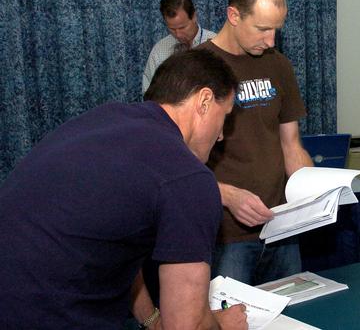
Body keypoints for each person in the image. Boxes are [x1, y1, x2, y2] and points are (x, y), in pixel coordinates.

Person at [0, 49, 247, 329]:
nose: (221, 134)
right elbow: (185, 327)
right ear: (203, 101)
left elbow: (118, 242)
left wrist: (152, 321)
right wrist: (224, 326)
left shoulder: (105, 120)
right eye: (224, 116)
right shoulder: (187, 176)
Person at [196, 0, 313, 285]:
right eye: (262, 28)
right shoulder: (196, 68)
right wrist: (228, 196)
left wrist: (313, 192)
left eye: (276, 29)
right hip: (227, 234)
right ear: (233, 15)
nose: (271, 40)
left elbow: (291, 145)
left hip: (282, 227)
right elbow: (174, 163)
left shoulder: (279, 65)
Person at [142, 0, 216, 92]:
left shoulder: (216, 43)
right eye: (172, 29)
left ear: (194, 16)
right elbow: (149, 92)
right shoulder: (159, 51)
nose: (178, 35)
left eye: (182, 27)